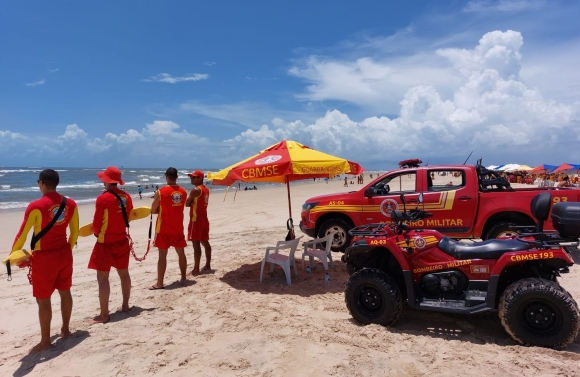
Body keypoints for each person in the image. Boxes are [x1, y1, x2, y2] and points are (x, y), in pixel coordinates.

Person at [10, 169, 79, 353]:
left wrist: (13, 256)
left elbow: (22, 235)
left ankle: (46, 341)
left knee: (43, 299)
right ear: (56, 183)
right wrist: (66, 250)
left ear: (41, 183)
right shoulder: (71, 204)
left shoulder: (35, 206)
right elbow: (75, 233)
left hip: (44, 257)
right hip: (64, 254)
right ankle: (65, 329)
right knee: (65, 292)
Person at [88, 166, 134, 324]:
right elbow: (128, 215)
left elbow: (96, 223)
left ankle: (104, 315)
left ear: (106, 180)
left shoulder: (103, 198)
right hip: (122, 239)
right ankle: (126, 305)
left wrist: (96, 233)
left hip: (105, 242)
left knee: (102, 278)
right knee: (124, 274)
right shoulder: (127, 196)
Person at [149, 167, 188, 289]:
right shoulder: (183, 192)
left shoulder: (160, 192)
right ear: (177, 177)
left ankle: (160, 283)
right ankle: (183, 278)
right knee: (181, 253)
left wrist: (161, 210)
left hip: (163, 228)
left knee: (162, 255)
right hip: (177, 227)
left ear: (166, 176)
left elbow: (153, 210)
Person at [186, 170, 212, 275]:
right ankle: (208, 265)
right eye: (191, 177)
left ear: (200, 178)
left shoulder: (196, 190)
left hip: (196, 220)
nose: (191, 179)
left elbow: (187, 204)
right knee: (205, 242)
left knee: (196, 245)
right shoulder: (206, 189)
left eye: (193, 177)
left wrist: (191, 202)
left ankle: (196, 269)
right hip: (204, 219)